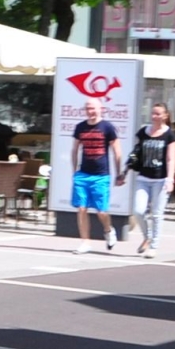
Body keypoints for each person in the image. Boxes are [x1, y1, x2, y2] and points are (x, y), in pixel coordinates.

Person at [121, 102, 175, 257]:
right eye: (153, 113)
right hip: (143, 177)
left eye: (158, 114)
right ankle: (147, 236)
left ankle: (154, 245)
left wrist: (170, 179)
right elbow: (135, 153)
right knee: (138, 210)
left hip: (161, 179)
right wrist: (126, 171)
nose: (154, 116)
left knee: (157, 214)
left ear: (165, 116)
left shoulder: (170, 135)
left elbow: (170, 158)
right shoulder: (143, 132)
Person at [69, 97, 122, 253]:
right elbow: (74, 150)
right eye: (88, 109)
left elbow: (116, 151)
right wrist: (74, 171)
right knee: (82, 208)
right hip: (83, 174)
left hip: (101, 175)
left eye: (93, 108)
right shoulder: (80, 127)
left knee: (101, 211)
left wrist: (119, 173)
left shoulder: (108, 127)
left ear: (101, 109)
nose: (91, 112)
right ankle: (85, 241)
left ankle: (108, 230)